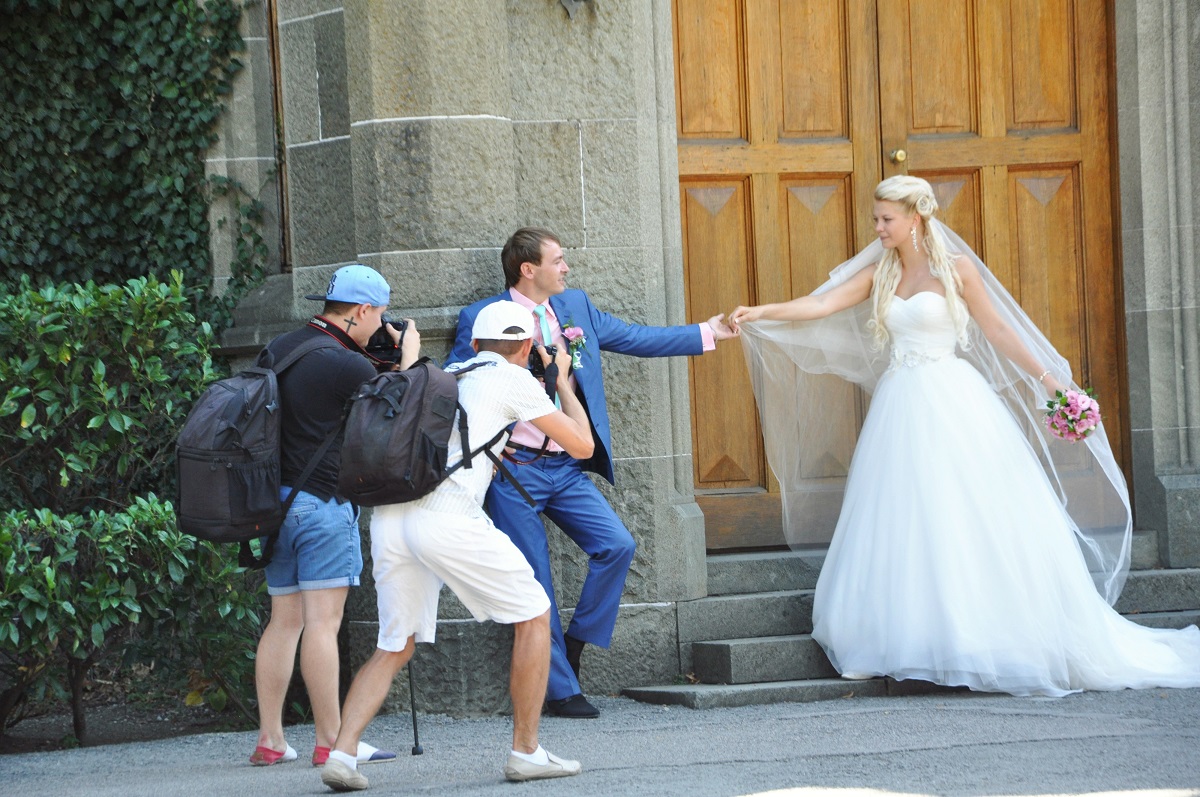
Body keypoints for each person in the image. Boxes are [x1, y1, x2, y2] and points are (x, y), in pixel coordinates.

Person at [727, 175, 1200, 696]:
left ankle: (981, 639)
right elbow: (820, 306)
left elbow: (999, 330)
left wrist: (1051, 382)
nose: (878, 227)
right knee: (901, 516)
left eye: (886, 218)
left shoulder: (957, 271)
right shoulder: (880, 274)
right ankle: (887, 640)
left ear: (916, 218)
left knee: (963, 512)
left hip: (953, 400)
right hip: (900, 406)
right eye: (877, 218)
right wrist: (760, 311)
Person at [450, 227, 737, 717]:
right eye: (557, 260)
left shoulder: (575, 307)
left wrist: (709, 333)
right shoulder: (483, 317)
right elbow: (460, 378)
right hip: (513, 472)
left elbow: (635, 337)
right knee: (535, 579)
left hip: (565, 465)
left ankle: (577, 642)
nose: (566, 268)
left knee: (617, 545)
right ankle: (560, 690)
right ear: (528, 269)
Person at [320, 300, 595, 792]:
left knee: (393, 644)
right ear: (527, 347)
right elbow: (581, 446)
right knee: (534, 614)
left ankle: (342, 755)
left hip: (390, 517)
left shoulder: (448, 371)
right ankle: (526, 751)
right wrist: (560, 382)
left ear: (474, 343)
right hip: (447, 516)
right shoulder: (515, 379)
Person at [250, 264, 420, 767]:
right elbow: (400, 412)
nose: (381, 325)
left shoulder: (283, 346)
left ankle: (271, 739)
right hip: (322, 505)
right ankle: (330, 740)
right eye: (380, 315)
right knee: (323, 624)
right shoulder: (347, 365)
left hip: (275, 503)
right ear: (363, 310)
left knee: (285, 621)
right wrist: (407, 358)